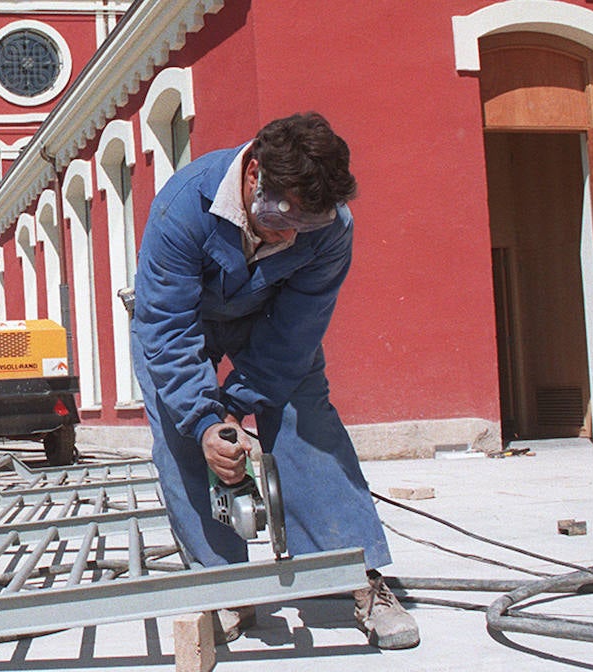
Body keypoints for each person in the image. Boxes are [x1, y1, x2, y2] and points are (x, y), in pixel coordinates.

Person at [130, 112, 418, 649]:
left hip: (268, 318)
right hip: (181, 318)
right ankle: (223, 585)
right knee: (180, 433)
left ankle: (354, 574)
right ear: (253, 173)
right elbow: (167, 328)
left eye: (303, 227)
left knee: (307, 420)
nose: (287, 236)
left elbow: (295, 334)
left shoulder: (332, 230)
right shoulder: (182, 206)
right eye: (280, 217)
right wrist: (205, 421)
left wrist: (238, 405)